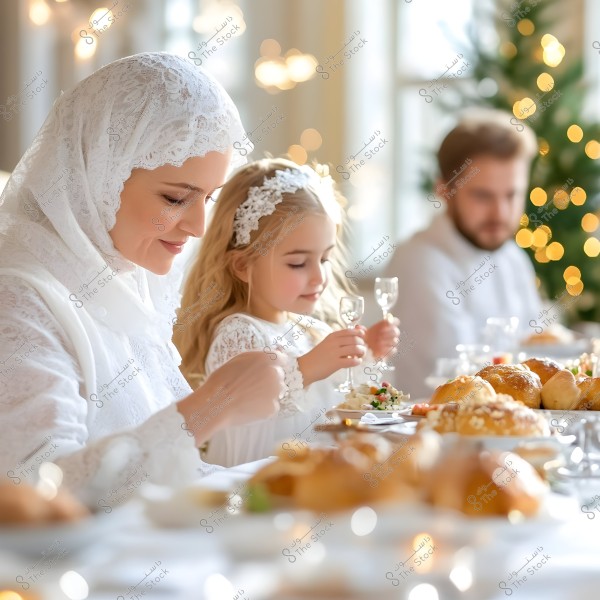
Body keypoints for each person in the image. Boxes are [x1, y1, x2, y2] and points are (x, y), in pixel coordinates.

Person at [0, 53, 287, 507]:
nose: (197, 226)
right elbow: (37, 495)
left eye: (209, 198)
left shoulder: (121, 277)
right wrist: (213, 406)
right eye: (176, 198)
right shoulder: (16, 299)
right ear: (97, 175)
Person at [173, 158, 400, 466]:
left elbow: (334, 401)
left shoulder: (311, 329)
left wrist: (368, 354)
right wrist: (309, 367)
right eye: (298, 263)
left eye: (325, 259)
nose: (319, 277)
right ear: (243, 266)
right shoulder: (239, 332)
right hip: (255, 481)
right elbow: (255, 402)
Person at [385, 109, 542, 399]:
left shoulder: (511, 255)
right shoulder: (419, 262)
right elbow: (461, 383)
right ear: (444, 191)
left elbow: (539, 344)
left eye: (512, 195)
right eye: (483, 196)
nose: (501, 213)